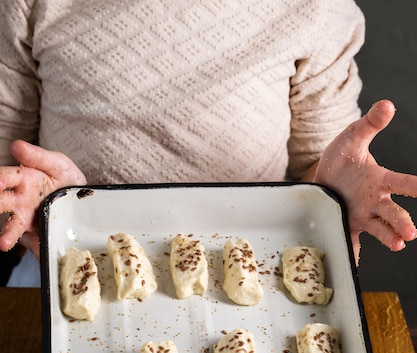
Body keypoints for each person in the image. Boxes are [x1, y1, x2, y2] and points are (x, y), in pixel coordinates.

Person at [0, 0, 416, 286]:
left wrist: (333, 196)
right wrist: (42, 201)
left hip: (252, 274)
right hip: (65, 260)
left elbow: (320, 166)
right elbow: (9, 158)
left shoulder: (318, 8)